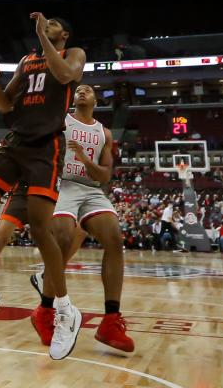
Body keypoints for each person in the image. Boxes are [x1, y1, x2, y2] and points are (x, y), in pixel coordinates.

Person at [0, 14, 86, 362]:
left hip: (46, 148)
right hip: (16, 142)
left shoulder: (74, 54)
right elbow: (6, 106)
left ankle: (66, 310)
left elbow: (65, 76)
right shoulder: (26, 61)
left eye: (54, 22)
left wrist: (43, 37)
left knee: (42, 230)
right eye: (46, 24)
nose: (48, 23)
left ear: (63, 33)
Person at [29, 84, 133, 353]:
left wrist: (86, 160)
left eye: (88, 90)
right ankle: (45, 310)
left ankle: (110, 321)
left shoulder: (104, 133)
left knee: (114, 239)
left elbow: (105, 176)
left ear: (96, 100)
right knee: (63, 237)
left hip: (90, 188)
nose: (83, 91)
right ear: (73, 98)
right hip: (61, 183)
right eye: (79, 89)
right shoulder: (60, 121)